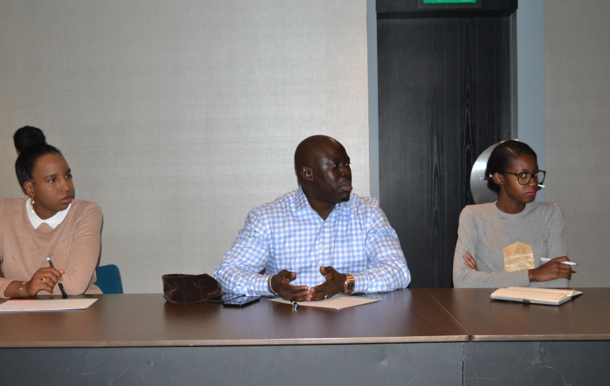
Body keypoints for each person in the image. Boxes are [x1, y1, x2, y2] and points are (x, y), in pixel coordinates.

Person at [214, 135, 411, 301]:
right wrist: (270, 285)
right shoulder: (268, 218)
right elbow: (227, 274)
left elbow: (398, 271)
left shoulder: (368, 213)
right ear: (307, 173)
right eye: (335, 166)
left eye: (347, 164)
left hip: (354, 329)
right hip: (288, 330)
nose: (346, 172)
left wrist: (346, 282)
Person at [0, 141, 103, 298]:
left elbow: (74, 285)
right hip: (19, 317)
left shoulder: (86, 213)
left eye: (67, 176)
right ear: (30, 188)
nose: (66, 187)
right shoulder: (6, 211)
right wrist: (23, 287)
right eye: (52, 180)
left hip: (75, 315)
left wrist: (6, 283)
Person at [453, 140, 572, 288]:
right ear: (499, 178)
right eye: (523, 175)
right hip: (489, 310)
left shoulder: (550, 213)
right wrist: (534, 274)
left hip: (540, 310)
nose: (533, 183)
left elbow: (559, 282)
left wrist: (484, 279)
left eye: (534, 174)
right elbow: (462, 281)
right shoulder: (473, 216)